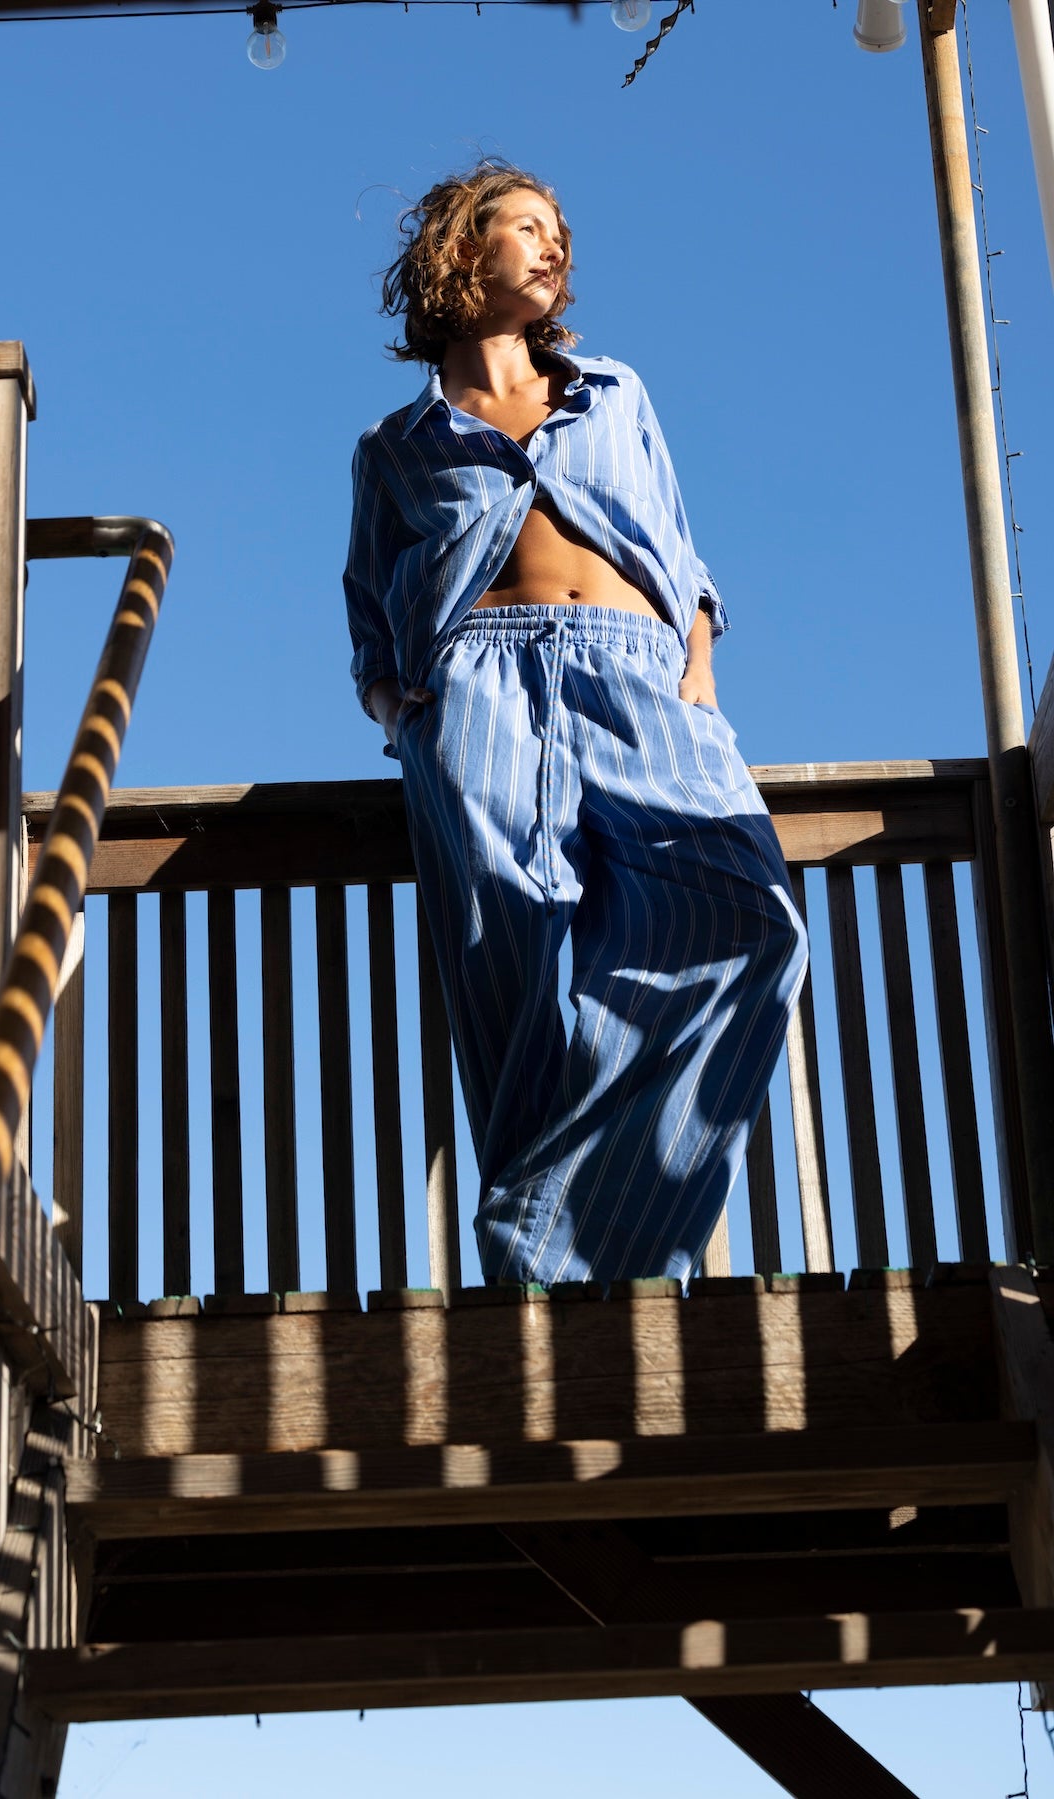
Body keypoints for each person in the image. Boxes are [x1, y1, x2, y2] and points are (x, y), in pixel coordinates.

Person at [343, 161, 808, 1289]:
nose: (555, 247)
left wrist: (697, 675)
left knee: (754, 921)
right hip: (479, 698)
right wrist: (411, 719)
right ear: (462, 250)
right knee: (513, 993)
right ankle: (576, 1320)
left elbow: (681, 555)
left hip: (640, 678)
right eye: (527, 226)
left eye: (561, 232)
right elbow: (368, 626)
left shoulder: (614, 393)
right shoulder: (396, 447)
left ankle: (535, 1252)